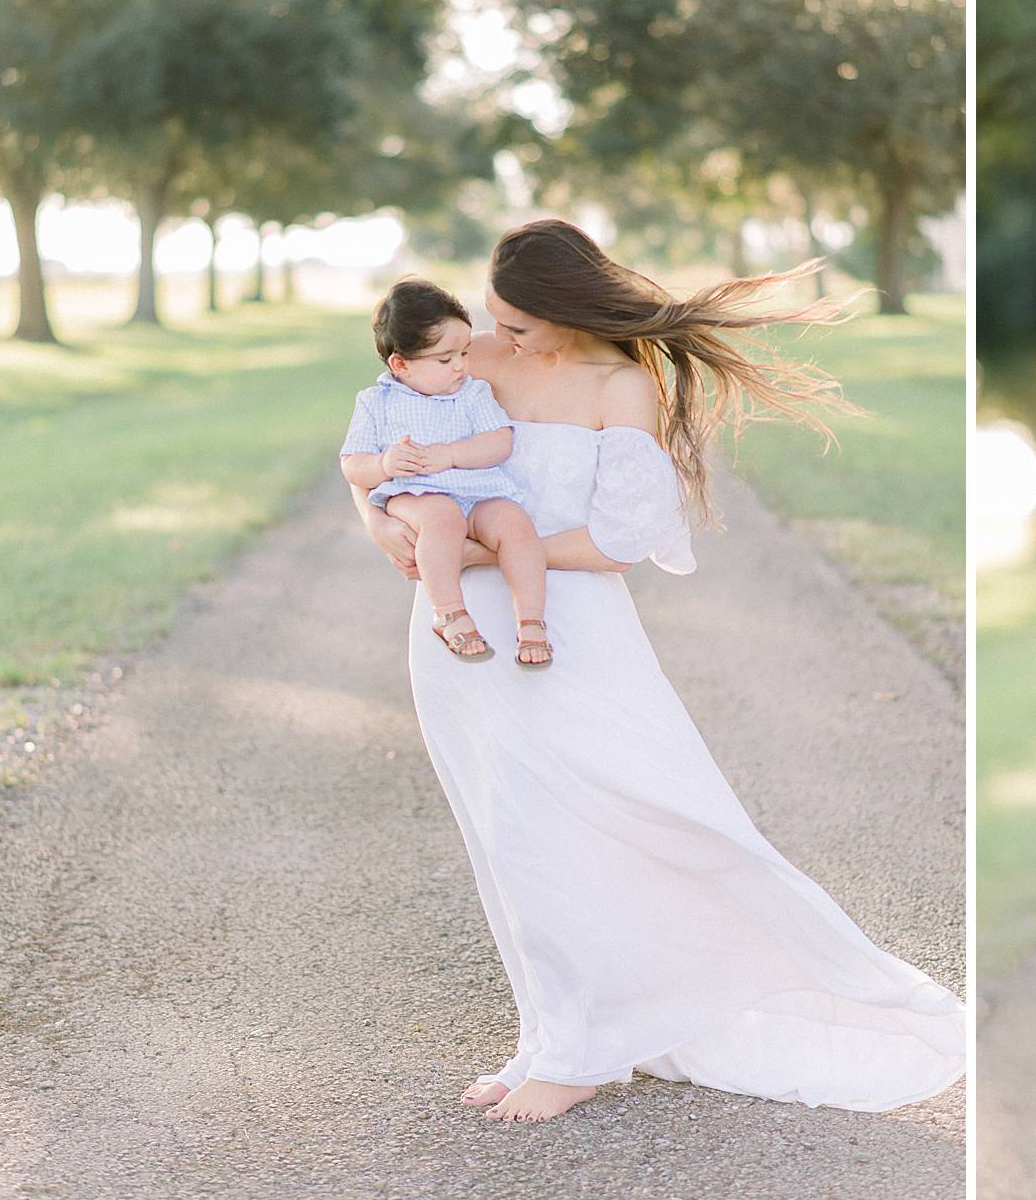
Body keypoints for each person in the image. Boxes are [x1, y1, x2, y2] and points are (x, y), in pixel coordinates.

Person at [351, 219, 965, 1124]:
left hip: (569, 633)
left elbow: (612, 543)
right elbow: (375, 452)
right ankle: (558, 1037)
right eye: (495, 324)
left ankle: (602, 1037)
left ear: (565, 309)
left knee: (645, 818)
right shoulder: (475, 359)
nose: (499, 341)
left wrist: (480, 561)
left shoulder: (622, 387)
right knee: (507, 835)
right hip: (451, 642)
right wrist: (382, 525)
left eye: (518, 326)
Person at [340, 279, 550, 667]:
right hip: (416, 496)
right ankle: (450, 612)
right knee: (442, 517)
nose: (460, 365)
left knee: (515, 522)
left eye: (464, 352)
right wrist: (384, 464)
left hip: (477, 491)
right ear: (400, 364)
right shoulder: (377, 402)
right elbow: (353, 464)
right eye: (444, 358)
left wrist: (452, 454)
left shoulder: (472, 392)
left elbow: (500, 441)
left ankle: (531, 619)